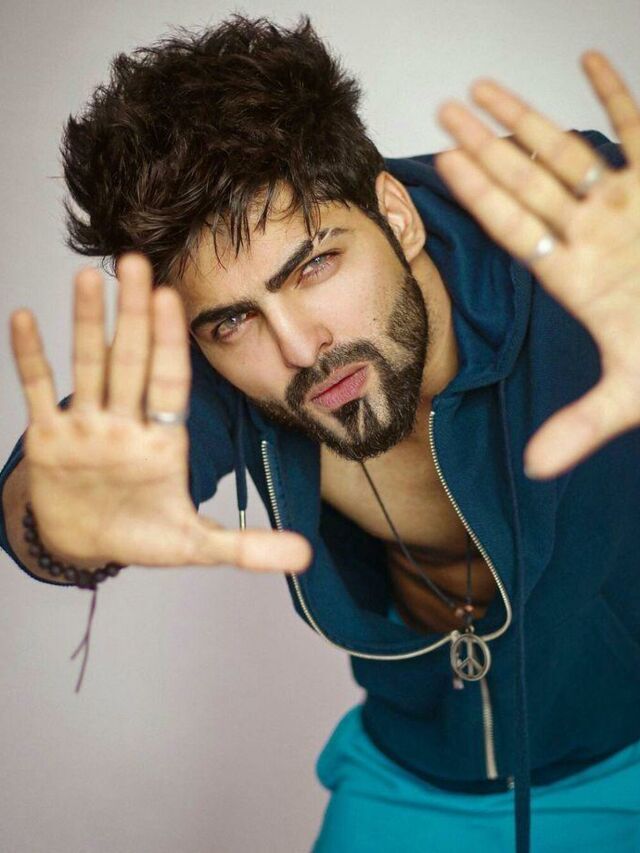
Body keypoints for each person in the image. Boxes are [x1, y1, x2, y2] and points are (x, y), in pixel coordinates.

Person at [1, 14, 640, 853]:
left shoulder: (583, 236)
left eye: (314, 266)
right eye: (234, 321)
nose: (300, 347)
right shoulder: (211, 365)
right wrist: (56, 524)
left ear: (395, 216)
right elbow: (52, 484)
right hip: (416, 772)